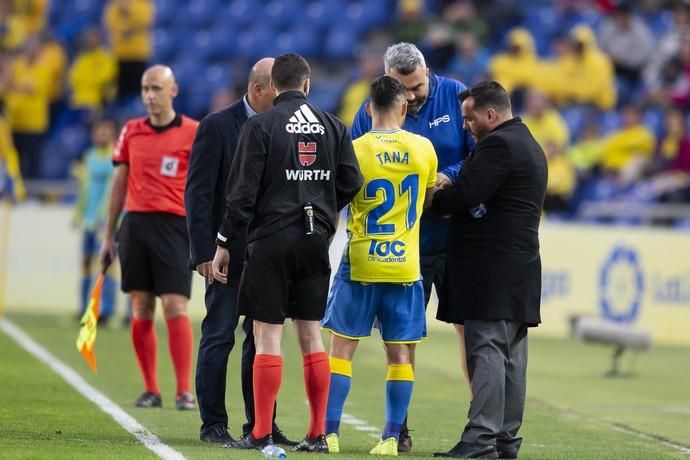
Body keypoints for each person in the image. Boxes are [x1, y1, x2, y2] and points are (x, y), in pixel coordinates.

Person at [211, 53, 362, 452]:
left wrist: (225, 241)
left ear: (274, 85)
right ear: (308, 84)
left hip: (271, 239)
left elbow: (241, 195)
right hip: (316, 239)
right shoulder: (334, 126)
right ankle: (316, 434)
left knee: (267, 336)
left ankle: (261, 432)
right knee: (312, 335)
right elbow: (352, 181)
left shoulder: (260, 125)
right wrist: (325, 211)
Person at [351, 41, 473, 452]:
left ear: (427, 71)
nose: (415, 95)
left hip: (456, 238)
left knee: (470, 330)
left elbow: (482, 154)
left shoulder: (456, 95)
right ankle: (397, 426)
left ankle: (480, 425)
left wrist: (449, 175)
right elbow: (350, 168)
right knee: (400, 339)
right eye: (406, 89)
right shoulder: (370, 112)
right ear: (389, 84)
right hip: (406, 248)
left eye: (419, 85)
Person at [321, 75, 437, 456]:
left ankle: (330, 434)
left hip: (362, 262)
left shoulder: (354, 149)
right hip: (404, 266)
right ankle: (389, 438)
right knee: (399, 355)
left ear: (368, 107)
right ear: (404, 107)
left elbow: (338, 199)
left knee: (341, 350)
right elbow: (428, 194)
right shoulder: (424, 149)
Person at [431, 81, 546, 459]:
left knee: (488, 353)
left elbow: (466, 195)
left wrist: (434, 198)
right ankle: (503, 442)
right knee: (512, 358)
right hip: (519, 268)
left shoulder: (499, 144)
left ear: (491, 115)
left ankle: (480, 441)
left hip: (491, 270)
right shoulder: (529, 143)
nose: (466, 125)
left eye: (469, 118)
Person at [185, 57, 295, 446]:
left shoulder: (281, 126)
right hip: (224, 253)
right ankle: (213, 423)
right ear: (259, 88)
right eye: (278, 91)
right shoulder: (216, 126)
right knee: (219, 334)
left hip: (267, 253)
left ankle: (262, 424)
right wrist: (202, 250)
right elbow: (198, 194)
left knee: (262, 339)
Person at [99, 65, 198, 410]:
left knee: (175, 304)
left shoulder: (193, 132)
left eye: (156, 88)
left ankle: (184, 390)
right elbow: (119, 184)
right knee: (141, 305)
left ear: (174, 91)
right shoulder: (130, 132)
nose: (149, 95)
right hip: (136, 225)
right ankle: (151, 388)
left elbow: (203, 186)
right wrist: (108, 235)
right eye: (145, 88)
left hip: (174, 227)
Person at [74, 119, 117, 323]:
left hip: (104, 221)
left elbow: (112, 189)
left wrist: (105, 217)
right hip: (88, 220)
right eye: (99, 131)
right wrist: (78, 214)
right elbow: (85, 188)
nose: (102, 135)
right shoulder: (89, 156)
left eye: (106, 131)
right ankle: (84, 307)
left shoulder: (115, 156)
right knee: (85, 263)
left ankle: (106, 310)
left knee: (105, 264)